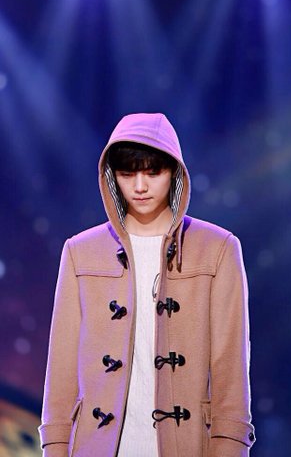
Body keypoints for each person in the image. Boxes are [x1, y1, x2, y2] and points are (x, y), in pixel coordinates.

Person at [38, 113, 255, 456]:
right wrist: (54, 447)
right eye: (127, 173)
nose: (139, 186)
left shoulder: (217, 249)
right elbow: (61, 369)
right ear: (112, 177)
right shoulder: (80, 252)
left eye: (153, 172)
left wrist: (230, 447)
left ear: (175, 174)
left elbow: (231, 369)